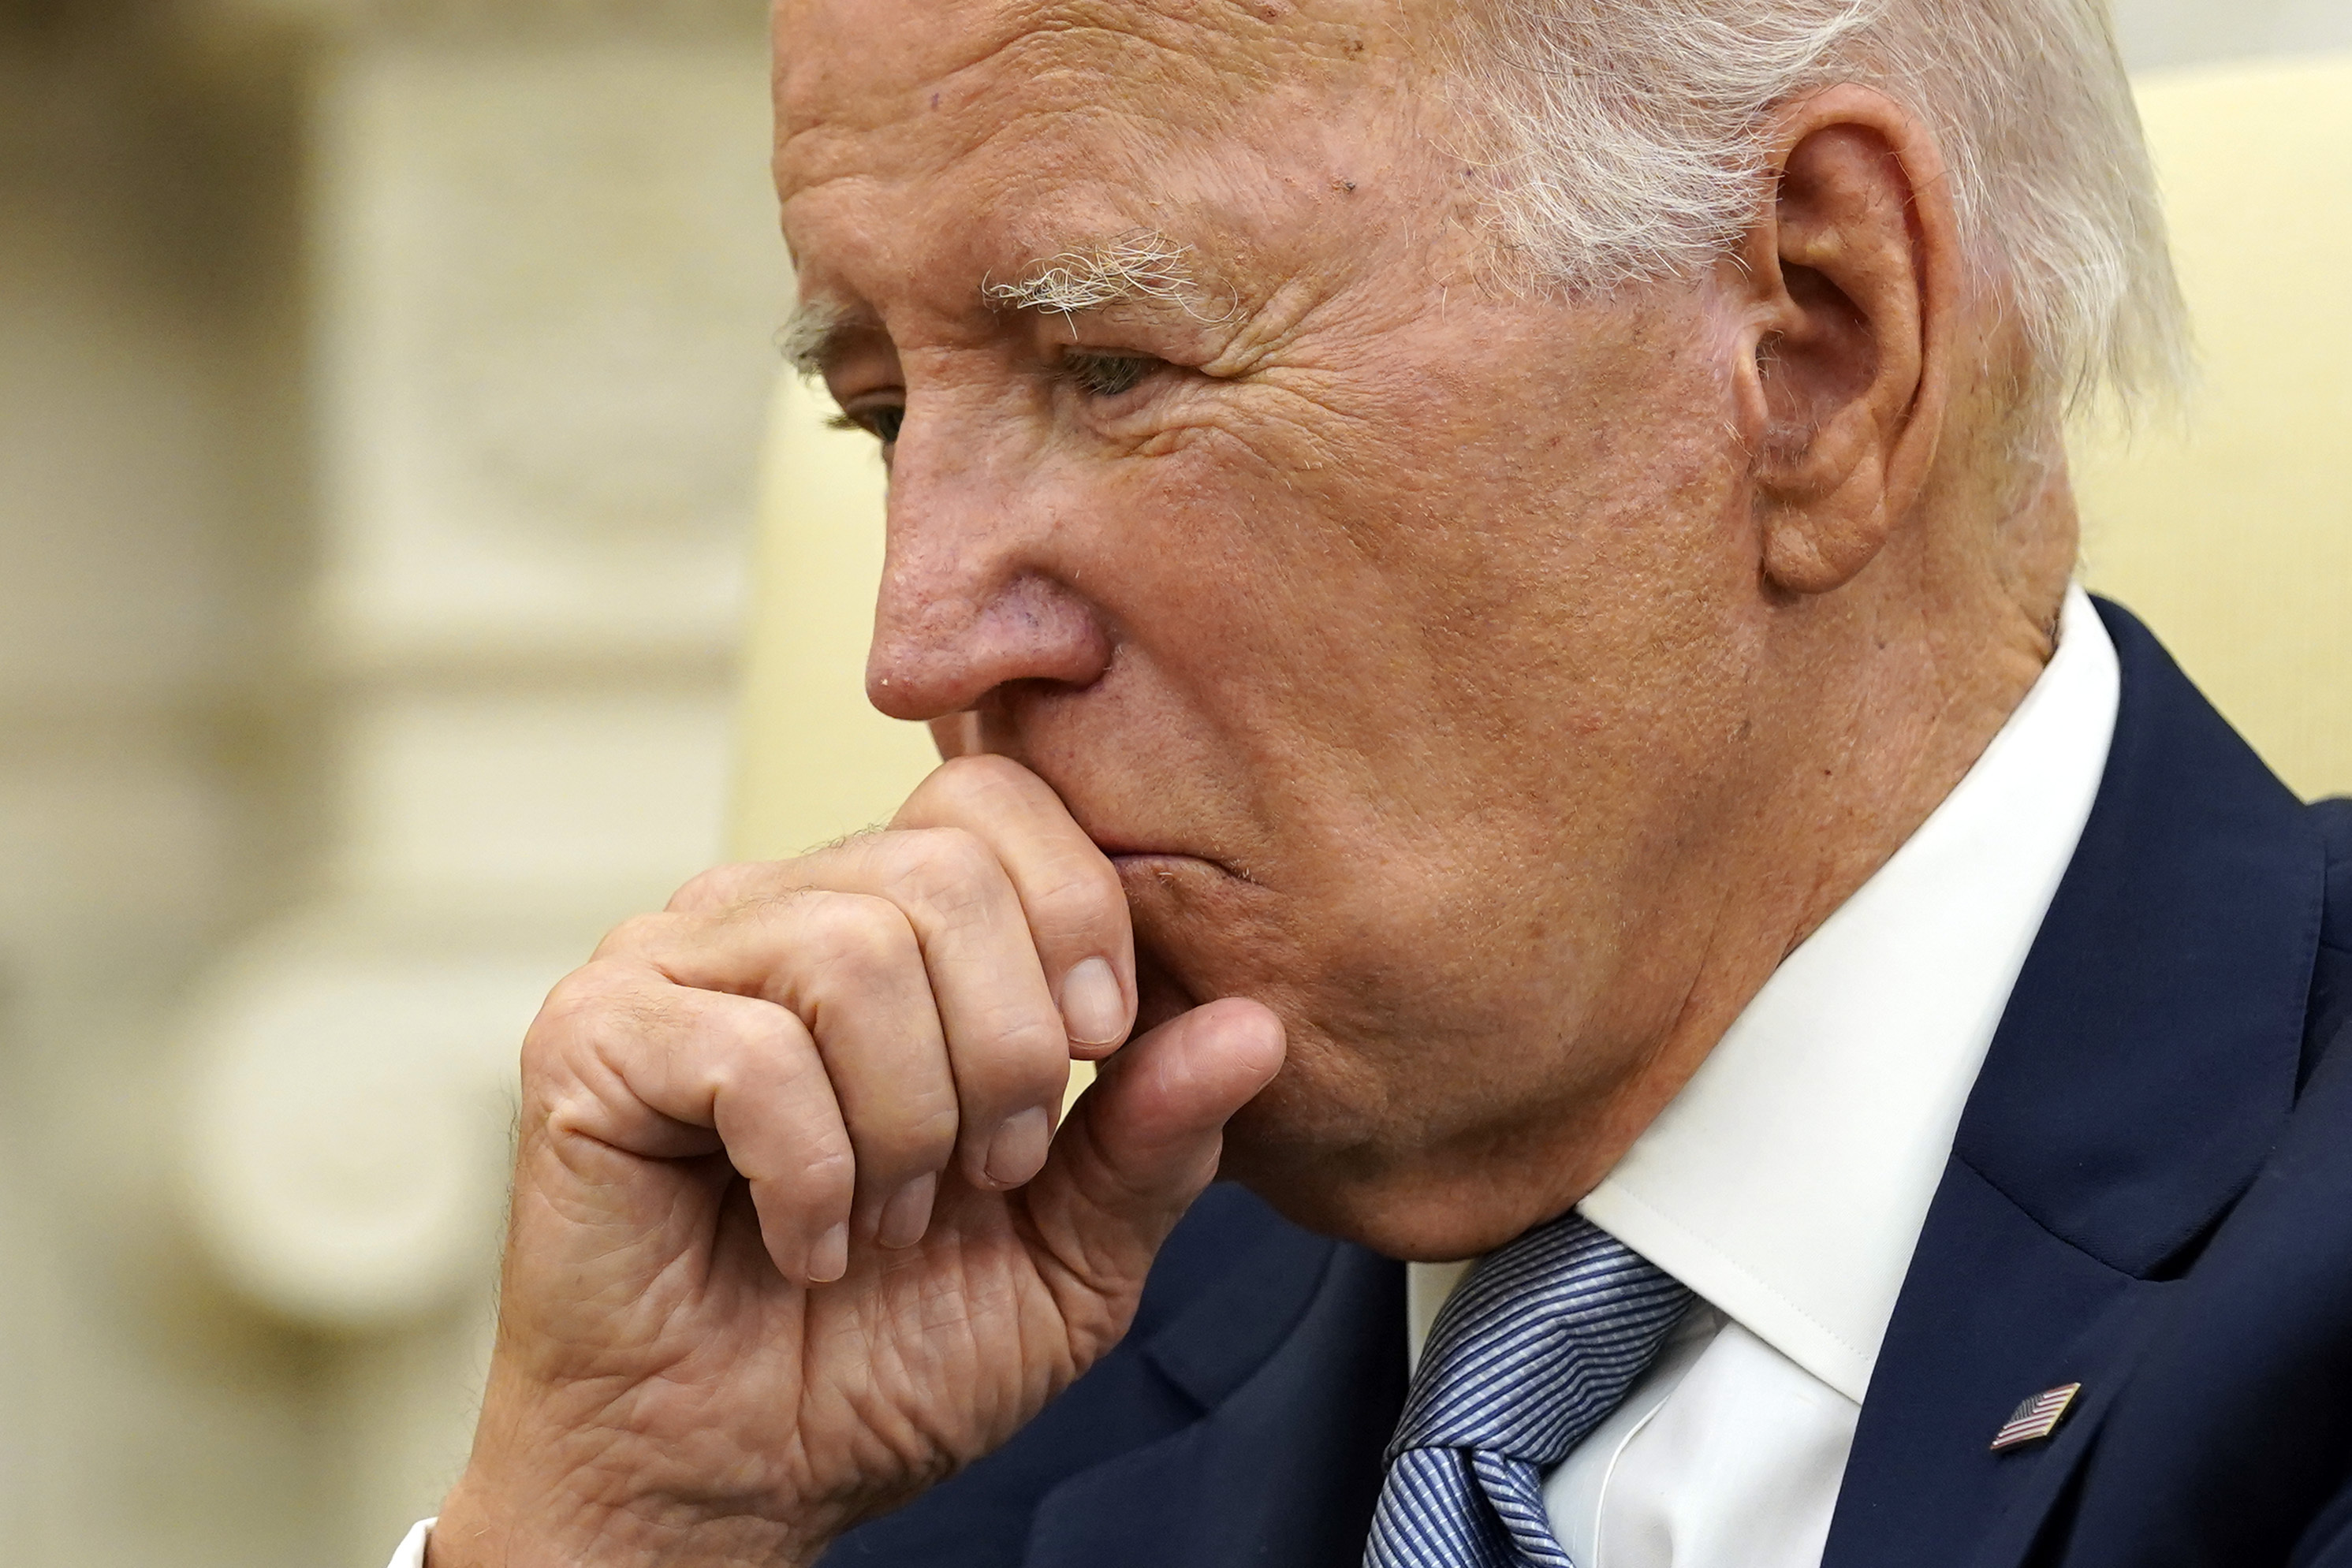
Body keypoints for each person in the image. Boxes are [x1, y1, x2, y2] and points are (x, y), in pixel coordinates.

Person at [387, 2, 2352, 1565]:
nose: (913, 645)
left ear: (1816, 339)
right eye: (885, 416)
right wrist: (615, 1528)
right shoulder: (898, 1401)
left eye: (1111, 367)